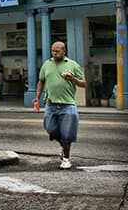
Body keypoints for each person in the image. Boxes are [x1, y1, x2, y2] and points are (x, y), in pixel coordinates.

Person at [34, 41, 86, 170]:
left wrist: (72, 78)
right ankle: (63, 145)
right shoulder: (47, 64)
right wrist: (37, 98)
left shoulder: (72, 65)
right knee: (50, 129)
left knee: (67, 134)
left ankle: (66, 159)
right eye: (53, 50)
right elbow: (41, 81)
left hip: (68, 105)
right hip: (51, 104)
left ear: (64, 51)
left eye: (57, 51)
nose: (54, 53)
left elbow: (83, 83)